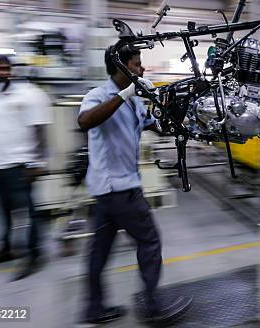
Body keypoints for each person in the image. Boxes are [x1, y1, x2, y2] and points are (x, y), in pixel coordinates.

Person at [77, 46, 192, 325]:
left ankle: (94, 310)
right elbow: (84, 121)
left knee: (99, 251)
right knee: (149, 241)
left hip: (109, 192)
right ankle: (153, 308)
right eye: (137, 64)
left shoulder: (136, 103)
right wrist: (124, 94)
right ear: (121, 67)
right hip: (119, 189)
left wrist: (180, 116)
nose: (142, 70)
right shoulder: (98, 96)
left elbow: (158, 126)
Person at [0, 55, 50, 280]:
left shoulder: (28, 94)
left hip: (19, 165)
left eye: (5, 69)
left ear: (12, 70)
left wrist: (36, 162)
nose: (1, 73)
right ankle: (6, 249)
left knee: (29, 213)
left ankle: (34, 254)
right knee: (2, 211)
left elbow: (39, 130)